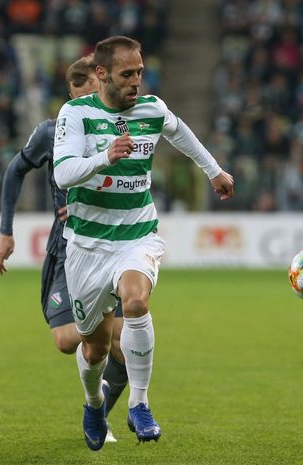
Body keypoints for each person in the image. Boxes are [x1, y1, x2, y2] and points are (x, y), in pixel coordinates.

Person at [52, 36, 234, 450]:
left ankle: (139, 404)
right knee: (94, 347)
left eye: (140, 72)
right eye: (126, 74)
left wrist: (214, 171)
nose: (136, 81)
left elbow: (181, 133)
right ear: (101, 75)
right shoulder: (76, 113)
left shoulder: (152, 108)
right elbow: (63, 174)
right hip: (86, 245)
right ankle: (94, 403)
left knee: (136, 302)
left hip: (137, 234)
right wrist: (105, 158)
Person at [0, 55, 128, 442]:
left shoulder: (119, 128)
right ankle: (95, 392)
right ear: (72, 93)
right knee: (69, 341)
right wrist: (6, 231)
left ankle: (100, 413)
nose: (93, 96)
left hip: (110, 242)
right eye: (85, 89)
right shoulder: (51, 132)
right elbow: (15, 171)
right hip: (66, 247)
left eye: (98, 88)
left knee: (122, 340)